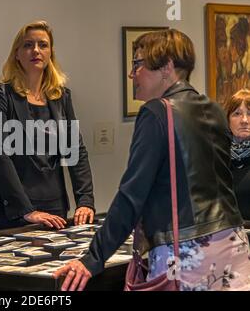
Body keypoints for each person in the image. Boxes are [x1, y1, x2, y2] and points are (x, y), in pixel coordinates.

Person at [54, 29, 250, 291]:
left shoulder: (156, 112)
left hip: (188, 257)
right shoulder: (213, 109)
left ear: (166, 67)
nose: (132, 74)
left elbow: (132, 194)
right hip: (232, 248)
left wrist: (92, 258)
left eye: (138, 63)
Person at [0, 21, 95, 231]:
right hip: (10, 208)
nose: (36, 50)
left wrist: (85, 200)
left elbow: (76, 151)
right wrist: (25, 210)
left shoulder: (61, 97)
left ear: (50, 54)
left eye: (43, 45)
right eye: (28, 45)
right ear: (17, 54)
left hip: (54, 204)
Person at [223, 89, 250, 220]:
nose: (244, 120)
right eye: (237, 113)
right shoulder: (218, 157)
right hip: (226, 237)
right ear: (227, 119)